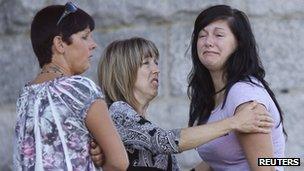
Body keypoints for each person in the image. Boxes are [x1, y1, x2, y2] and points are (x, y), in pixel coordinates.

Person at [91, 37, 274, 171]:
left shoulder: (140, 124)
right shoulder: (118, 112)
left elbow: (272, 162)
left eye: (156, 62)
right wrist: (234, 122)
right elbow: (164, 141)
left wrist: (223, 156)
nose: (156, 69)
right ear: (123, 71)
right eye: (146, 63)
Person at [13, 2, 128, 170]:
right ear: (60, 44)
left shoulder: (25, 95)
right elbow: (119, 162)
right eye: (84, 36)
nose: (93, 44)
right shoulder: (79, 89)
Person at [187, 5, 286, 171]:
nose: (208, 42)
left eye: (218, 35)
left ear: (239, 43)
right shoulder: (212, 94)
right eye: (202, 35)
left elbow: (265, 166)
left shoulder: (243, 94)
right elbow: (221, 161)